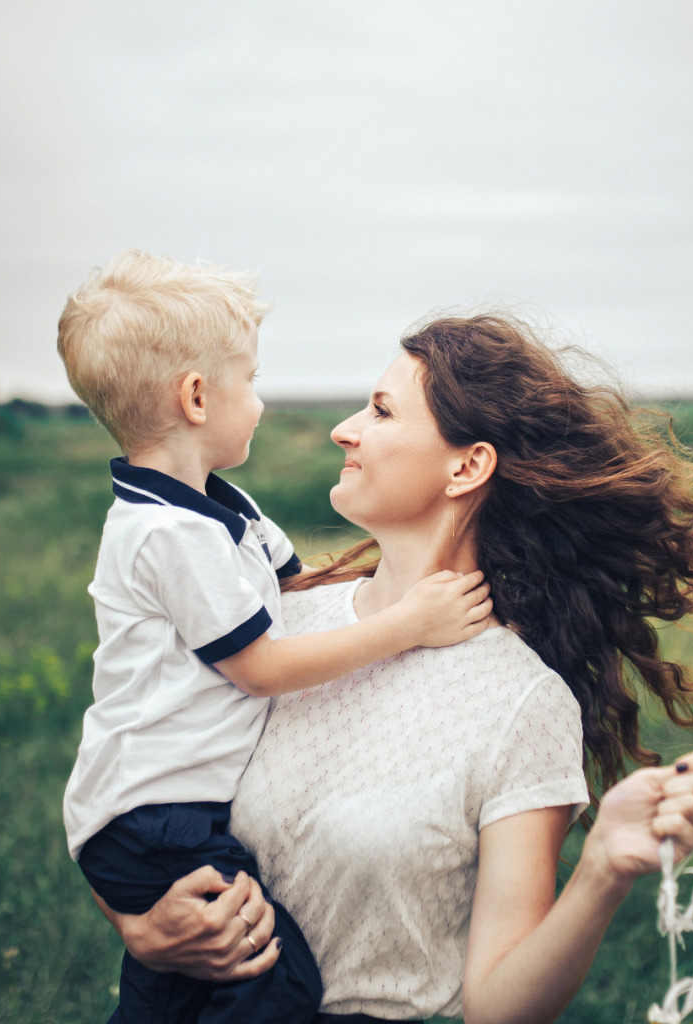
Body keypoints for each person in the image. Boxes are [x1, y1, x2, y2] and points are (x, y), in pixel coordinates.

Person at [94, 312, 693, 1024]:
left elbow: (497, 1008)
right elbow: (128, 775)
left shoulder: (522, 703)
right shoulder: (275, 628)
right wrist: (140, 929)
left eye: (381, 410)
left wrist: (602, 872)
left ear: (467, 466)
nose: (344, 429)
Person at [56, 252, 495, 1024]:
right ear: (197, 396)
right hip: (154, 817)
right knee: (273, 983)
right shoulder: (164, 533)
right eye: (249, 380)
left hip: (163, 810)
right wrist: (408, 624)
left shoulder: (223, 509)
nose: (260, 400)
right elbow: (260, 665)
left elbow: (300, 591)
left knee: (180, 991)